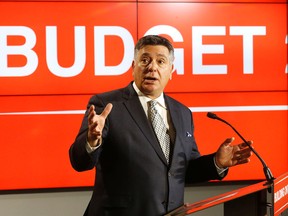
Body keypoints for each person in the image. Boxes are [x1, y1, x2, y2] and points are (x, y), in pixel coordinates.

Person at [69, 35, 252, 216]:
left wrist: (217, 163)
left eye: (160, 61)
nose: (152, 67)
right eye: (145, 60)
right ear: (134, 68)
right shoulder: (107, 104)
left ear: (171, 70)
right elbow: (79, 162)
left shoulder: (182, 113)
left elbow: (183, 170)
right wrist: (91, 141)